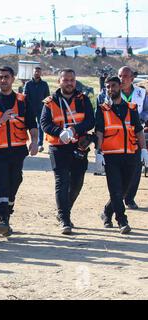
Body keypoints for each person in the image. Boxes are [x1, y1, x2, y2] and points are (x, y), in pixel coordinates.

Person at [41, 69, 95, 235]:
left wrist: (74, 130)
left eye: (72, 80)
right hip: (58, 146)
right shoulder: (50, 102)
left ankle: (64, 210)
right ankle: (65, 218)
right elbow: (44, 123)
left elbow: (90, 121)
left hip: (79, 145)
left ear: (75, 81)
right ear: (59, 81)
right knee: (62, 182)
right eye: (65, 80)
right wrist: (60, 133)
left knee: (77, 183)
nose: (69, 83)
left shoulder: (83, 99)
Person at [0, 67, 38, 237]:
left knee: (15, 181)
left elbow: (32, 124)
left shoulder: (23, 101)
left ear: (13, 79)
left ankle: (7, 211)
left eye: (6, 77)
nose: (3, 80)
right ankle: (2, 219)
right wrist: (0, 121)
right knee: (1, 181)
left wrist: (34, 142)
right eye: (0, 77)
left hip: (17, 151)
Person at [95, 76, 148, 234]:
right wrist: (98, 153)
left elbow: (138, 131)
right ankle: (122, 221)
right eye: (108, 87)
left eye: (114, 86)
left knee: (124, 190)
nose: (111, 89)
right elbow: (99, 132)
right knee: (115, 190)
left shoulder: (131, 108)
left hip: (131, 155)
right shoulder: (102, 109)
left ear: (120, 87)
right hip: (111, 156)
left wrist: (144, 150)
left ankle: (106, 212)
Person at [118, 66, 148, 209]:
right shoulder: (110, 91)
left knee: (136, 168)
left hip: (136, 135)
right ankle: (118, 196)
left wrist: (140, 118)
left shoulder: (142, 93)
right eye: (120, 76)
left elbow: (147, 110)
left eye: (125, 76)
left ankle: (130, 198)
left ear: (132, 78)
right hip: (116, 136)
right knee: (118, 168)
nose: (121, 79)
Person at [24, 66, 51, 152]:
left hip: (41, 108)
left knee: (41, 126)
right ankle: (29, 143)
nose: (37, 73)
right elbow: (25, 96)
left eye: (39, 72)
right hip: (30, 109)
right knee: (28, 126)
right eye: (36, 71)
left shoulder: (44, 84)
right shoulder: (28, 84)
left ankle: (40, 144)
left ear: (41, 73)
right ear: (33, 72)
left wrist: (46, 107)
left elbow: (47, 96)